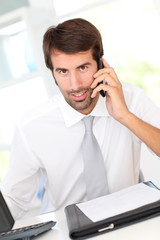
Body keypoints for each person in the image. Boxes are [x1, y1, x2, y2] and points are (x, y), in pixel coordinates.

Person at [1, 18, 160, 220]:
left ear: (101, 64)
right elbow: (14, 200)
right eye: (63, 72)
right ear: (53, 74)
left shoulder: (131, 98)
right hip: (66, 230)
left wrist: (124, 116)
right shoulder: (31, 127)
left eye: (83, 68)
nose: (75, 85)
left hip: (128, 223)